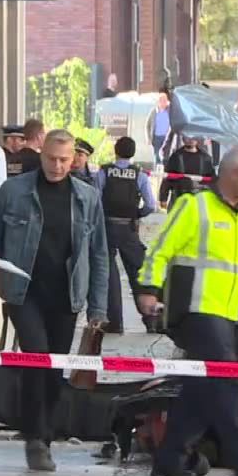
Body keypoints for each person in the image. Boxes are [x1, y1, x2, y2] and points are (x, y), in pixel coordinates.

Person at [136, 145, 238, 476]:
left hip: (227, 312)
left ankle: (171, 459)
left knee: (200, 389)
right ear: (232, 174)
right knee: (226, 383)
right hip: (196, 309)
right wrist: (148, 290)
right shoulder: (195, 207)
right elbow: (161, 249)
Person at [0, 129, 110, 472]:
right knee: (36, 358)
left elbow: (99, 255)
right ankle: (37, 439)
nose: (56, 165)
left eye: (64, 160)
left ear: (74, 159)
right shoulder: (15, 191)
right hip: (24, 292)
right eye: (51, 158)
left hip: (66, 297)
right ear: (42, 155)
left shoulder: (87, 197)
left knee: (53, 371)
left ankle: (42, 430)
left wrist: (98, 308)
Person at [96, 137, 157, 333]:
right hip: (129, 229)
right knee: (138, 272)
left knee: (109, 275)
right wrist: (136, 215)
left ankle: (114, 323)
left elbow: (95, 199)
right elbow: (150, 205)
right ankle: (151, 320)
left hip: (106, 227)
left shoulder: (103, 172)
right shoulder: (139, 175)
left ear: (116, 150)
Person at [159, 135, 215, 211]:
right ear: (183, 138)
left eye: (193, 137)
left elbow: (212, 180)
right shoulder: (176, 156)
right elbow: (168, 178)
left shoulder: (205, 158)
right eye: (188, 136)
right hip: (179, 198)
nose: (191, 139)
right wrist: (163, 198)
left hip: (199, 200)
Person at [152, 93, 171, 168]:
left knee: (165, 153)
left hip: (166, 137)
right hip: (157, 136)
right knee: (156, 153)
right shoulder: (154, 112)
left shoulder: (170, 111)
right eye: (161, 100)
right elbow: (148, 125)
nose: (163, 102)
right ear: (158, 102)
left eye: (165, 100)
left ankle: (165, 167)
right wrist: (148, 138)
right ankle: (157, 168)